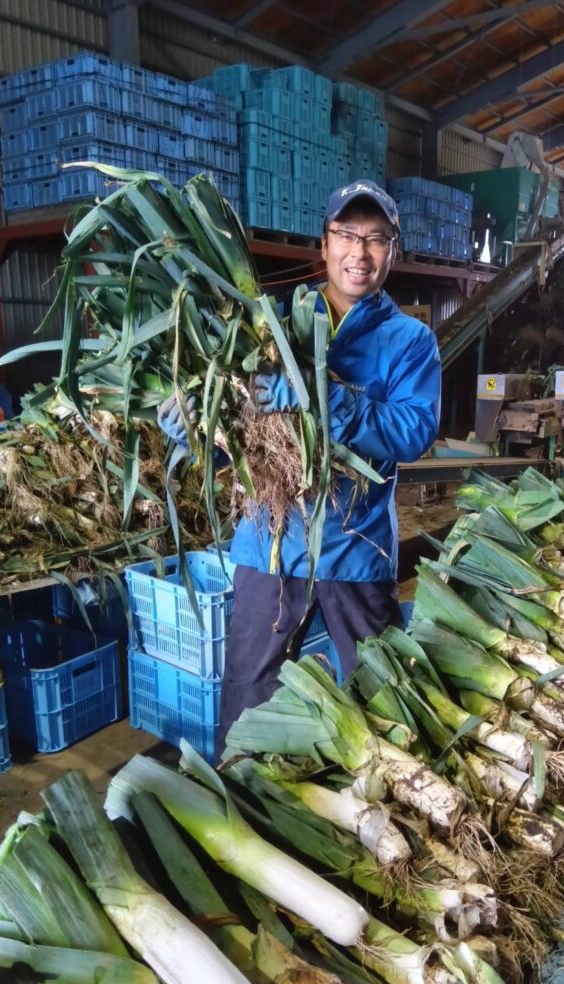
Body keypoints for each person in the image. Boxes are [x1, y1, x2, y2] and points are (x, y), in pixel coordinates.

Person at [158, 179, 441, 752]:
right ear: (324, 243)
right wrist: (197, 434)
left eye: (376, 239)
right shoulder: (273, 325)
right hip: (270, 539)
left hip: (354, 546)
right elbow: (246, 431)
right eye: (346, 235)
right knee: (248, 690)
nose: (359, 253)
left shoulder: (409, 340)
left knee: (379, 691)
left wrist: (326, 399)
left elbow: (413, 431)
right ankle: (243, 796)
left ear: (394, 250)